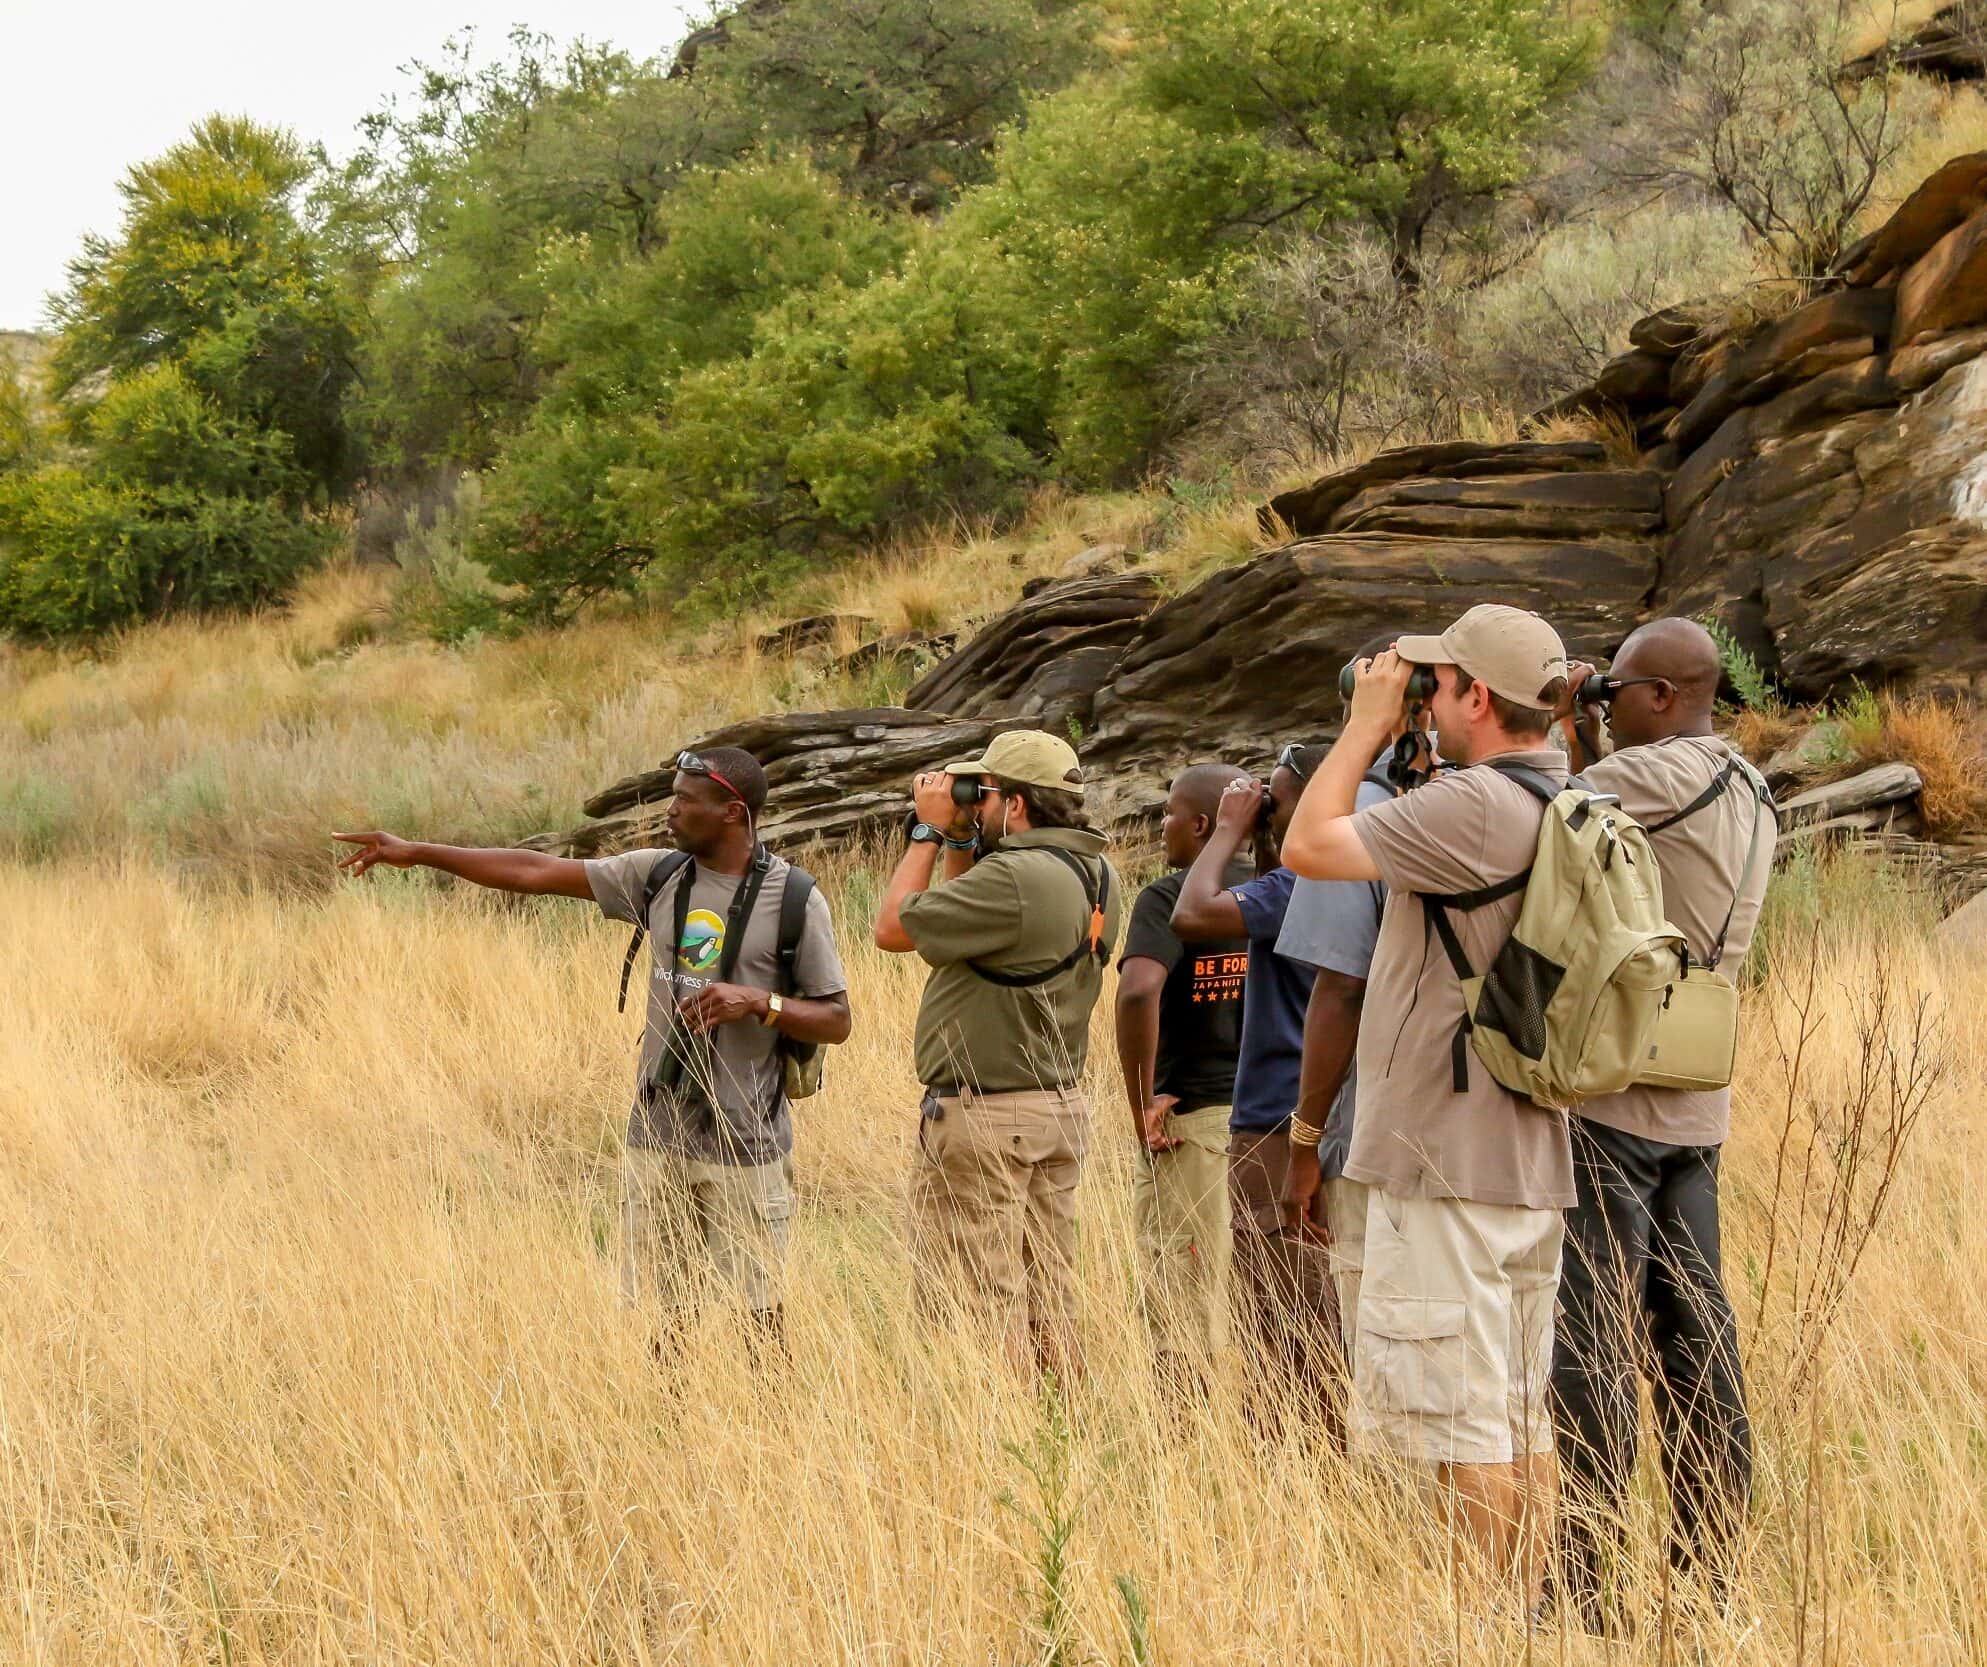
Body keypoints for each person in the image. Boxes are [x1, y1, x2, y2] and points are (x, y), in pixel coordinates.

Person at [332, 747, 852, 1342]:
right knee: (666, 1311)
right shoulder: (657, 874)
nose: (670, 811)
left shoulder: (794, 899)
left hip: (747, 1139)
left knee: (758, 1314)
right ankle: (671, 1423)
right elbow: (534, 872)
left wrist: (760, 1003)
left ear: (733, 811)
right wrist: (419, 853)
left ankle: (771, 1427)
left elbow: (836, 1019)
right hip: (659, 1132)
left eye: (684, 800)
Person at [1281, 603, 1574, 1606]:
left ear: (1477, 696)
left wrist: (1364, 722)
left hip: (1447, 1159)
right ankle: (1523, 1615)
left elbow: (1309, 845)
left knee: (1457, 1434)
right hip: (1522, 1152)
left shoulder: (1476, 805)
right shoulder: (1554, 791)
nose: (1426, 699)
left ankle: (1474, 1623)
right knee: (1513, 1419)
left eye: (1438, 684)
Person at [1548, 618, 1773, 1630]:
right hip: (1696, 1094)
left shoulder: (1651, 772)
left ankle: (1584, 1573)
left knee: (1590, 1335)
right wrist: (1592, 722)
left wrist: (1558, 720)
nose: (1605, 709)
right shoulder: (1744, 782)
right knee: (1696, 1329)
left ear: (1665, 695)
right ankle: (1707, 1570)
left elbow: (1554, 819)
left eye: (1617, 692)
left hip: (1619, 1094)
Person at [871, 730, 1124, 1377]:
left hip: (988, 1115)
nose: (969, 805)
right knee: (1049, 1292)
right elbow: (960, 936)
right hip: (1055, 1108)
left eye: (979, 795)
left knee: (979, 1296)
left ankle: (997, 1437)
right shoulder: (1096, 873)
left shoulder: (1015, 876)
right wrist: (963, 842)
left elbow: (894, 927)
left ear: (1014, 806)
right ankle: (1059, 1430)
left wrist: (926, 835)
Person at [1278, 634, 1435, 1382]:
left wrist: (1305, 1140)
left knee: (1386, 1356)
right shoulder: (1502, 797)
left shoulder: (1364, 810)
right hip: (1496, 1129)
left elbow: (1338, 986)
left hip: (1378, 1127)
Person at [1171, 742, 1336, 1434]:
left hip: (1275, 1122)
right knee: (1320, 1307)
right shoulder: (1348, 875)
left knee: (1279, 1320)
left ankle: (1291, 1461)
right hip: (1333, 1113)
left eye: (1279, 796)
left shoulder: (1307, 881)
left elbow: (1195, 912)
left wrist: (1232, 830)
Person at [1116, 763, 1251, 1391]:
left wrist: (1141, 1100)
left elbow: (1139, 992)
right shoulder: (1281, 886)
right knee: (1255, 1287)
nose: (1161, 823)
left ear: (1202, 825)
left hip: (1193, 1119)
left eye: (1169, 812)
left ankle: (1184, 1438)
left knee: (1183, 1295)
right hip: (1275, 1120)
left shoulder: (1169, 898)